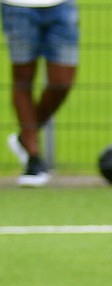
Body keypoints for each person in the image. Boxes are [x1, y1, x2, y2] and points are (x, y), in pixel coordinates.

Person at [2, 0, 78, 188]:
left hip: (61, 5)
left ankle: (26, 137)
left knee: (62, 82)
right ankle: (33, 158)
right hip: (17, 6)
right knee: (23, 78)